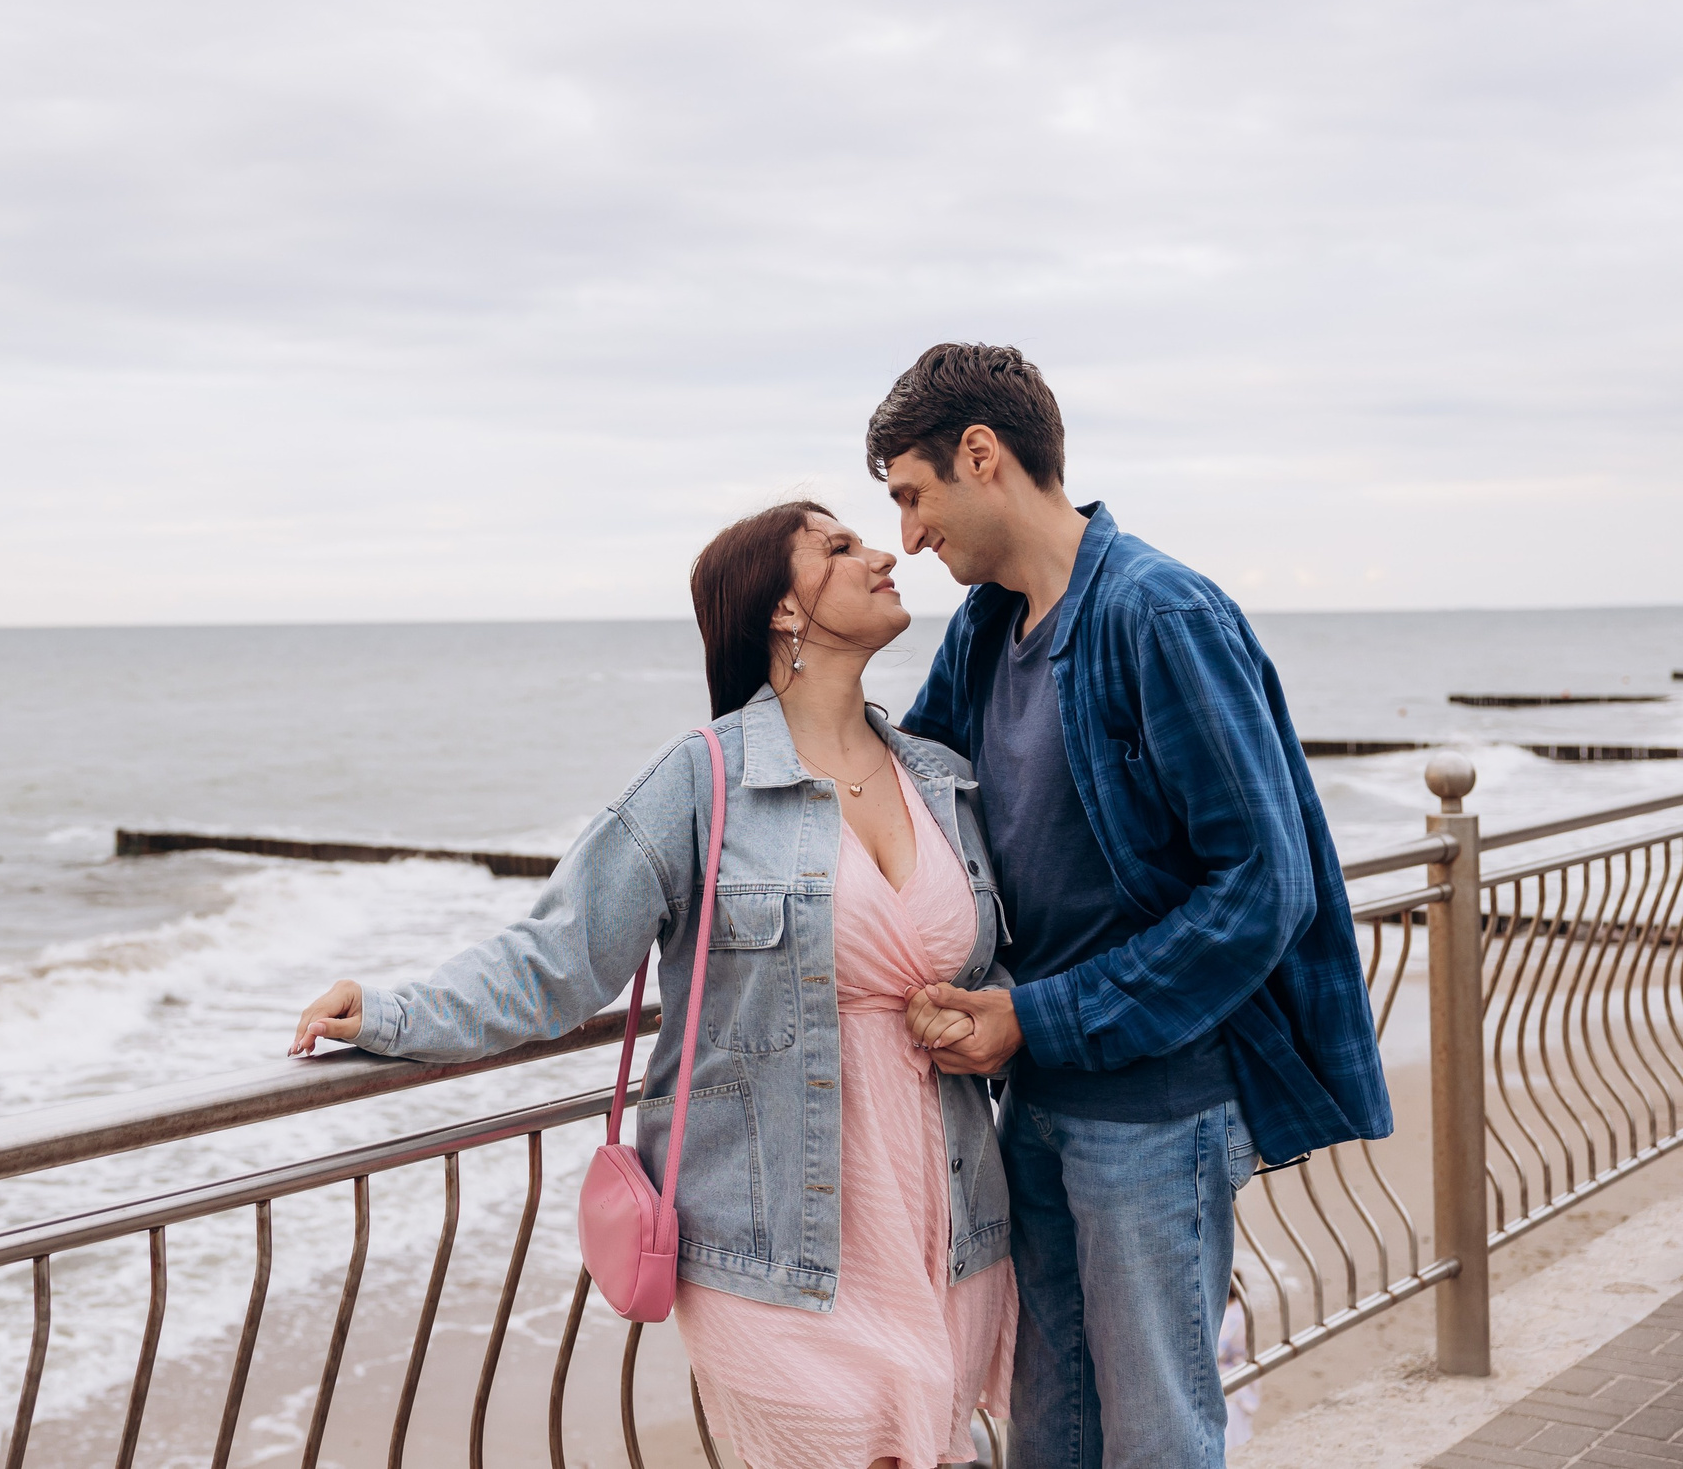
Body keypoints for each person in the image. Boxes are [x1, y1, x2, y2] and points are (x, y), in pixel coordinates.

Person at [291, 502, 1017, 1469]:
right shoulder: (703, 780)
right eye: (838, 548)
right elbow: (556, 957)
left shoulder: (942, 780)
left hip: (945, 1213)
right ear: (783, 613)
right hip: (773, 1244)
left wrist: (1007, 1019)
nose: (883, 552)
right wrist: (391, 1012)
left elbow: (997, 967)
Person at [873, 344, 1390, 1469]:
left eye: (911, 496)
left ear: (980, 455)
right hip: (1038, 1096)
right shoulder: (983, 628)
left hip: (1158, 1110)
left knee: (1156, 1436)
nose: (908, 536)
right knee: (1051, 1428)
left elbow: (1262, 889)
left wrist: (1038, 1017)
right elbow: (906, 786)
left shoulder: (1159, 613)